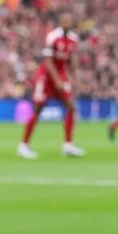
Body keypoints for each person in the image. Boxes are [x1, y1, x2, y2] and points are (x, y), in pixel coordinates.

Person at [17, 13, 85, 159]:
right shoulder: (52, 37)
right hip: (46, 77)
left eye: (69, 21)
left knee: (71, 107)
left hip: (61, 76)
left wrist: (74, 77)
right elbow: (48, 61)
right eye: (64, 21)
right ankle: (24, 145)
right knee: (38, 109)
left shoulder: (73, 38)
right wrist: (57, 80)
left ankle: (68, 145)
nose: (67, 23)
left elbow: (71, 60)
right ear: (60, 22)